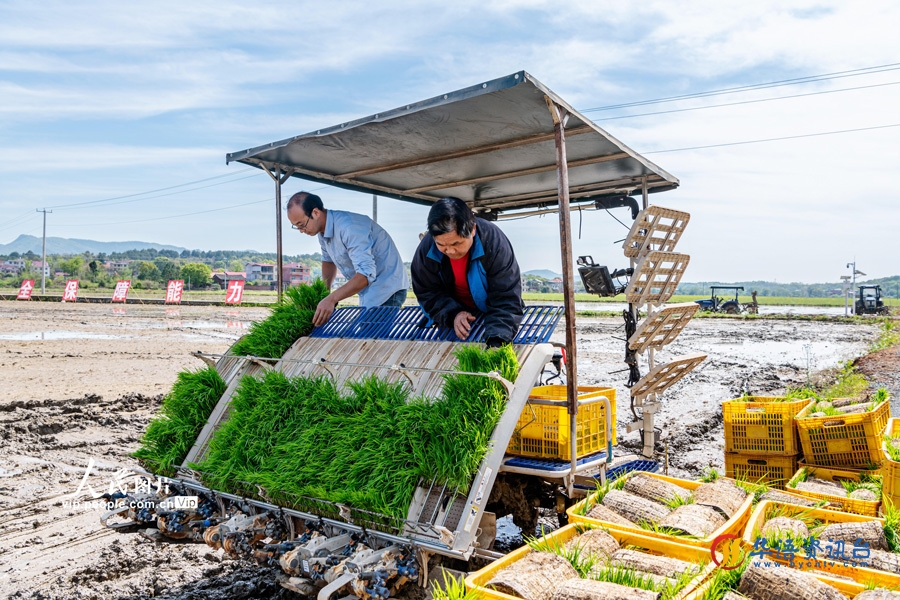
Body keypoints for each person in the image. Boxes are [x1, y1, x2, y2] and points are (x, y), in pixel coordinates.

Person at [411, 197, 524, 347]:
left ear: (473, 230)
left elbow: (506, 297)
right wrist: (453, 315)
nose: (450, 251)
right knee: (451, 352)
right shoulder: (426, 252)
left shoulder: (494, 243)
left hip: (491, 312)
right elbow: (427, 293)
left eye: (456, 243)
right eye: (441, 244)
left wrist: (497, 341)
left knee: (496, 344)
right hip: (453, 317)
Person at [287, 191, 408, 326]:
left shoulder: (349, 228)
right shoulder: (322, 232)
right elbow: (328, 260)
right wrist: (324, 293)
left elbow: (365, 275)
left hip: (387, 287)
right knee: (365, 334)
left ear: (315, 213)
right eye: (296, 227)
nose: (301, 231)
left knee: (370, 335)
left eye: (302, 225)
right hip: (371, 290)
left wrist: (331, 299)